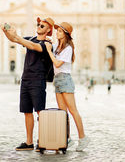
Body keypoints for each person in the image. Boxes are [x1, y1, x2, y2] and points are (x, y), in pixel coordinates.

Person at [2, 17, 54, 151]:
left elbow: (32, 46)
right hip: (25, 79)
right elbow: (14, 39)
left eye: (42, 26)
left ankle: (42, 141)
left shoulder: (47, 45)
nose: (39, 26)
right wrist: (7, 31)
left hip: (38, 80)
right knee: (27, 111)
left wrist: (17, 37)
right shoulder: (30, 38)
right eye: (38, 24)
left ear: (48, 30)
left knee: (40, 112)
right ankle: (29, 142)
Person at [45, 22, 90, 152]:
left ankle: (83, 138)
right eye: (57, 30)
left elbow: (58, 64)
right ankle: (67, 138)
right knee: (62, 112)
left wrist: (49, 51)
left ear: (65, 34)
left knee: (73, 110)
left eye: (59, 31)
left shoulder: (68, 48)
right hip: (57, 80)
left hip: (65, 78)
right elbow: (46, 45)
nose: (56, 33)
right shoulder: (57, 47)